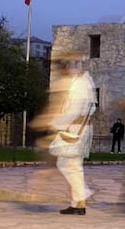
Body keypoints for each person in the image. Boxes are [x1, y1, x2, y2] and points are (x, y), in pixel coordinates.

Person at [31, 50, 97, 215]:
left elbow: (72, 111)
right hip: (77, 129)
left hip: (75, 130)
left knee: (66, 164)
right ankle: (78, 203)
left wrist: (53, 124)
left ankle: (81, 197)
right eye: (68, 63)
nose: (69, 66)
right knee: (73, 166)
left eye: (73, 63)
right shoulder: (80, 82)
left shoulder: (79, 84)